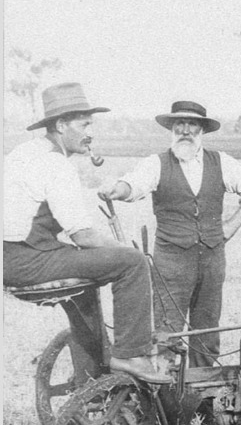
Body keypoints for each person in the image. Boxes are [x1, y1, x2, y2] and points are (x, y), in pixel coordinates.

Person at [4, 82, 171, 384]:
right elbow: (82, 234)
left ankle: (90, 375)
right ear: (60, 124)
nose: (89, 131)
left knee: (89, 276)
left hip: (14, 258)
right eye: (84, 124)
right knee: (132, 262)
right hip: (26, 260)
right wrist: (122, 251)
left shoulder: (25, 152)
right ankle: (131, 354)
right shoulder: (55, 164)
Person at [101, 101, 241, 368]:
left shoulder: (221, 162)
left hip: (212, 260)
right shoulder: (156, 163)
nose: (186, 130)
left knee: (207, 332)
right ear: (172, 129)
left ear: (202, 130)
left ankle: (202, 403)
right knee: (167, 334)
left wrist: (231, 225)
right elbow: (133, 185)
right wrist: (115, 190)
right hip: (171, 263)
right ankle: (165, 400)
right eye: (180, 125)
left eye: (192, 124)